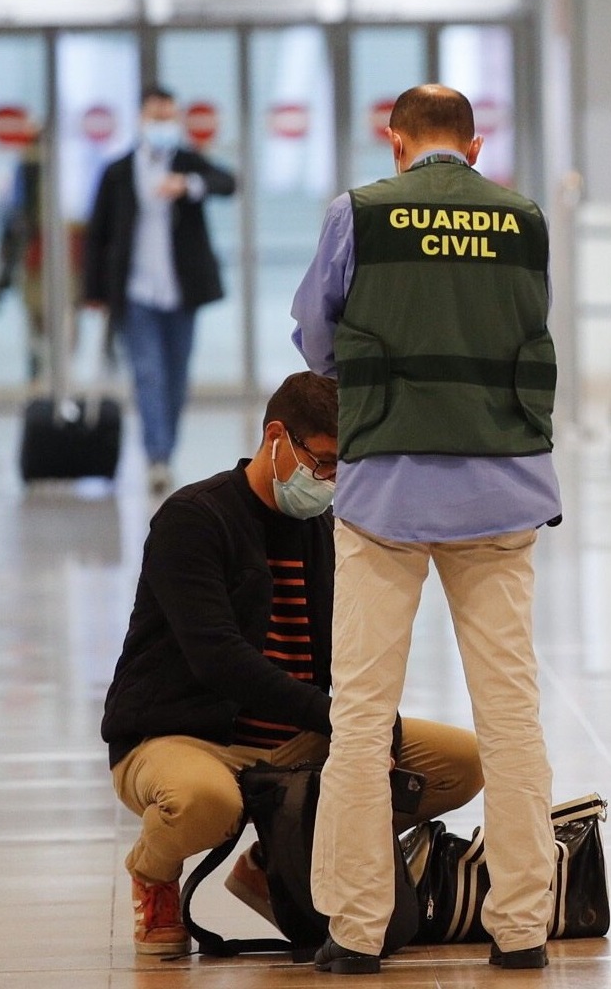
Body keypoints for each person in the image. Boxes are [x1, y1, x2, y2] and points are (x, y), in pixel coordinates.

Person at [292, 84, 562, 975]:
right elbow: (527, 326)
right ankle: (521, 929)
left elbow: (316, 339)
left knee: (362, 716)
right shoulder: (523, 219)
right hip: (501, 489)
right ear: (475, 147)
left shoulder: (359, 214)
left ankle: (356, 930)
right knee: (511, 712)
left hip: (388, 492)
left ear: (395, 140)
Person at [102, 372, 484, 956]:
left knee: (461, 763)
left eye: (341, 469)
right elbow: (219, 659)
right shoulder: (193, 518)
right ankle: (153, 873)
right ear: (276, 437)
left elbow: (350, 648)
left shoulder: (323, 529)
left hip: (296, 739)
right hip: (185, 735)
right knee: (204, 803)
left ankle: (275, 861)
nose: (329, 481)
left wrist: (377, 725)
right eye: (322, 462)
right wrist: (339, 720)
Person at [83, 85, 238, 496]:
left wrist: (188, 185)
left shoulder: (187, 163)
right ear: (140, 119)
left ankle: (165, 447)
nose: (163, 125)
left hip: (180, 293)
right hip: (136, 293)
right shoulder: (118, 172)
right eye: (156, 118)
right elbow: (98, 233)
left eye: (169, 118)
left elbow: (227, 182)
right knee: (148, 374)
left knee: (175, 377)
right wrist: (94, 292)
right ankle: (158, 457)